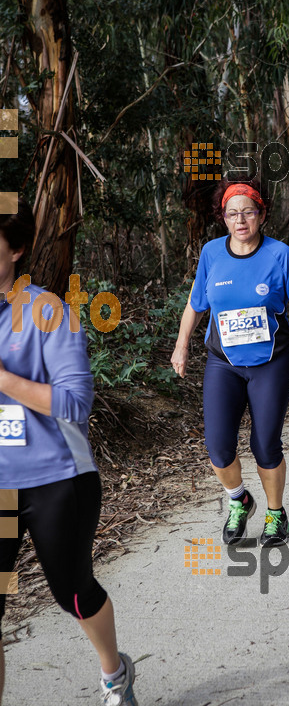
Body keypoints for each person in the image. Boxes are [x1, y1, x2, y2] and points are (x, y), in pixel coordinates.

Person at [0, 200, 138, 705]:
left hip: (56, 478)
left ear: (15, 251)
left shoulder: (47, 311)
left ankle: (115, 673)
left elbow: (75, 403)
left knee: (72, 592)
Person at [171, 178, 289, 546]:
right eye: (232, 213)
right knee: (219, 446)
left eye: (248, 212)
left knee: (265, 444)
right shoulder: (211, 253)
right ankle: (239, 499)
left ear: (262, 214)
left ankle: (276, 514)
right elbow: (195, 305)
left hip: (271, 362)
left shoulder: (280, 255)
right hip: (223, 363)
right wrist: (181, 346)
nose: (240, 220)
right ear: (222, 218)